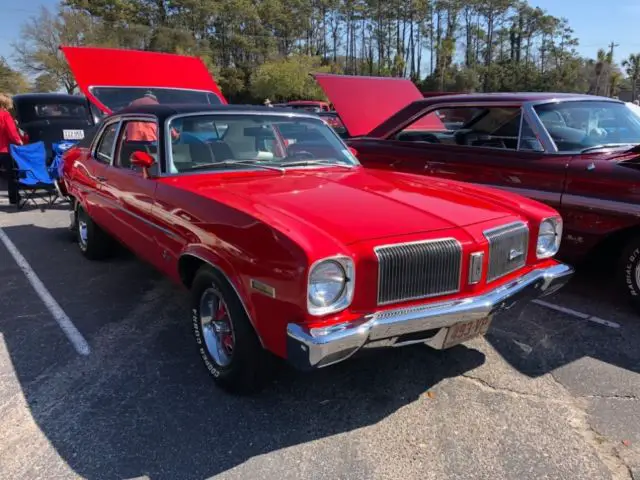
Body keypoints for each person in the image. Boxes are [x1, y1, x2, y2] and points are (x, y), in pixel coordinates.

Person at [0, 93, 23, 204]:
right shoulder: (5, 115)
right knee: (11, 176)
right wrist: (20, 141)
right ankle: (14, 198)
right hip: (4, 149)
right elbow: (11, 133)